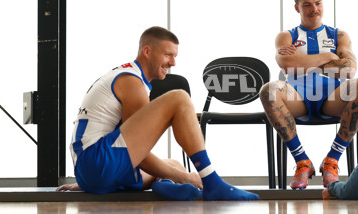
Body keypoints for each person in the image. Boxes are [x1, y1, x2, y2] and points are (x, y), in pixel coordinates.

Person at [56, 26, 258, 201]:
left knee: (175, 165)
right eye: (168, 55)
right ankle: (212, 182)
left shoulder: (127, 76)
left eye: (175, 56)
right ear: (147, 51)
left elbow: (131, 151)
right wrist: (187, 178)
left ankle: (164, 183)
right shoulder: (132, 82)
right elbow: (140, 156)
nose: (173, 63)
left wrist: (87, 180)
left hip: (91, 169)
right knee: (179, 98)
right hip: (97, 163)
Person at [260, 0, 358, 189]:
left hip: (332, 98)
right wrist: (327, 57)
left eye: (318, 3)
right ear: (297, 8)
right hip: (298, 98)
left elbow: (349, 69)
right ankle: (302, 162)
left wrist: (304, 62)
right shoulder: (287, 36)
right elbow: (286, 64)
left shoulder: (338, 35)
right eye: (307, 5)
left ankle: (331, 161)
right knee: (269, 90)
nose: (315, 9)